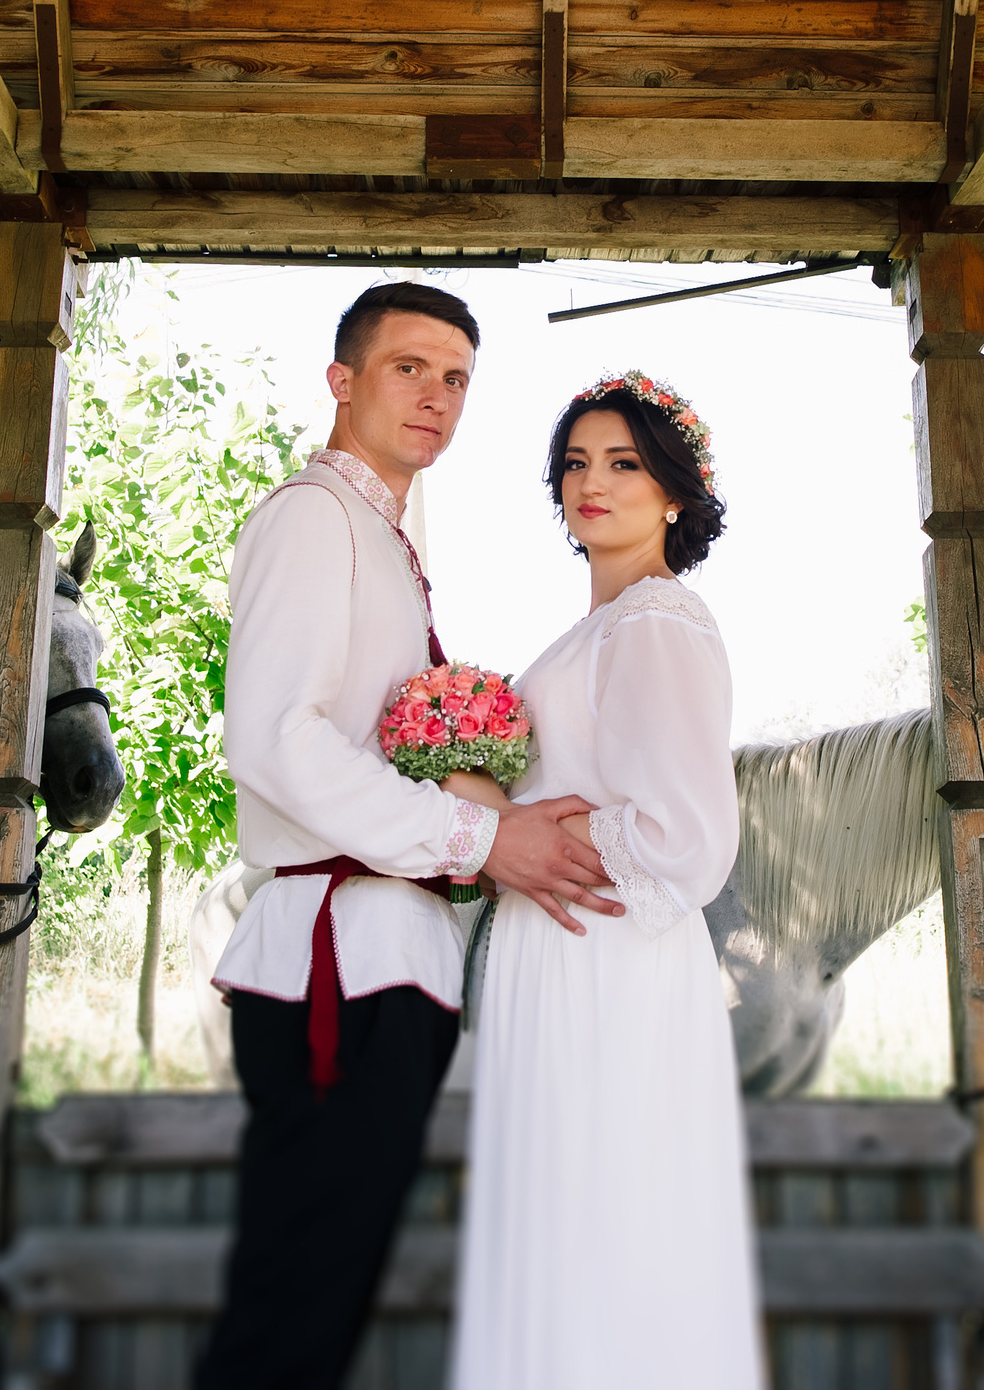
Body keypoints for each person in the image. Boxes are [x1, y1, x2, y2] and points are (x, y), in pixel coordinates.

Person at [198, 283, 618, 1390]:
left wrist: (506, 820)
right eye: (408, 368)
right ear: (342, 381)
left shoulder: (387, 535)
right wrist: (483, 845)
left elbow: (376, 745)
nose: (437, 397)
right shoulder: (310, 516)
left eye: (457, 379)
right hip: (336, 973)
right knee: (291, 1314)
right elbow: (273, 739)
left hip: (396, 965)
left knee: (317, 1306)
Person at [450, 371, 764, 1390]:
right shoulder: (595, 628)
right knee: (560, 1227)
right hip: (557, 944)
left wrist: (523, 825)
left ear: (673, 491)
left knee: (611, 1223)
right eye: (576, 463)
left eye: (624, 463)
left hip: (609, 957)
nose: (594, 481)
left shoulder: (657, 621)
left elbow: (685, 837)